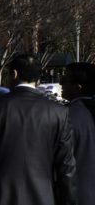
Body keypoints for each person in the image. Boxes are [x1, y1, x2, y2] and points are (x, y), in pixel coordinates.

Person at [0, 54, 77, 205]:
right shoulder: (59, 112)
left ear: (14, 74)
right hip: (43, 196)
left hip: (0, 195)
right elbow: (66, 167)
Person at [62, 62, 95, 205]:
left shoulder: (67, 115)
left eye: (65, 80)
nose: (60, 83)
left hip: (77, 194)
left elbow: (63, 162)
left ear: (78, 87)